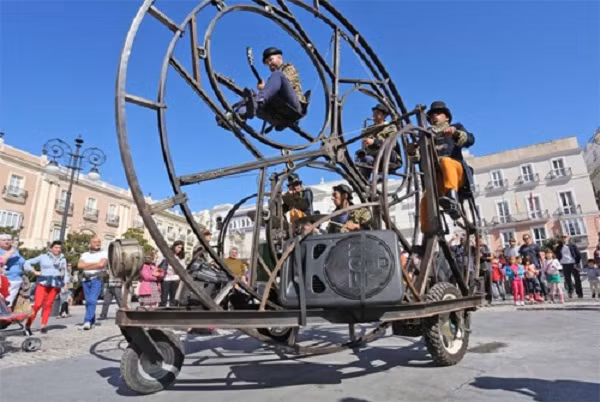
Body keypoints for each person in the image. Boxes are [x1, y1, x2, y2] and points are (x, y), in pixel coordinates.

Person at [417, 101, 475, 231]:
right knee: (426, 198)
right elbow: (418, 159)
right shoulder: (426, 136)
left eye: (438, 113)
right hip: (437, 178)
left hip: (456, 174)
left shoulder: (456, 127)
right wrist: (412, 151)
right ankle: (428, 231)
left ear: (446, 117)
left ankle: (453, 201)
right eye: (432, 115)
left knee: (445, 161)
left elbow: (470, 140)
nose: (434, 116)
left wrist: (455, 133)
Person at [220, 47, 307, 128]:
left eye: (270, 60)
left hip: (293, 107)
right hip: (278, 114)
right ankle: (236, 116)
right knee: (252, 97)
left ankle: (258, 101)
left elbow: (287, 84)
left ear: (279, 58)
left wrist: (263, 89)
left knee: (276, 76)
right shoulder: (274, 79)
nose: (269, 64)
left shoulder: (287, 68)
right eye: (267, 63)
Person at [23, 241, 69, 335]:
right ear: (51, 248)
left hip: (55, 284)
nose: (58, 249)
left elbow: (65, 272)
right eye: (56, 247)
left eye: (59, 248)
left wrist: (65, 283)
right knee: (37, 304)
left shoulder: (62, 259)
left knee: (48, 305)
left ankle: (43, 325)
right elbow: (27, 262)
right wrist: (34, 271)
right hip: (42, 283)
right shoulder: (43, 257)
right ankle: (28, 325)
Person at [354, 104, 399, 179]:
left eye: (377, 113)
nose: (374, 115)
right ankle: (363, 181)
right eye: (374, 113)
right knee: (366, 159)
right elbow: (365, 147)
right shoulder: (369, 129)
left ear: (384, 115)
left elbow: (392, 143)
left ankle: (380, 176)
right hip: (373, 156)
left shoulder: (390, 127)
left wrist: (375, 142)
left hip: (387, 155)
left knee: (387, 151)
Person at [77, 236, 108, 330]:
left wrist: (86, 266)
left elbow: (101, 264)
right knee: (88, 301)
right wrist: (95, 264)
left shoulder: (104, 253)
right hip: (85, 280)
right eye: (95, 242)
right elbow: (79, 265)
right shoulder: (85, 254)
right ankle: (92, 321)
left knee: (92, 300)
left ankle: (87, 321)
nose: (97, 243)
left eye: (99, 242)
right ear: (89, 244)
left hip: (96, 279)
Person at [0, 234, 25, 307]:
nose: (7, 242)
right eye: (4, 240)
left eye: (9, 240)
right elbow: (2, 261)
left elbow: (22, 262)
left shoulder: (16, 251)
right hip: (4, 280)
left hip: (16, 280)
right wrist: (12, 250)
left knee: (8, 304)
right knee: (2, 302)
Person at [519, 234, 547, 299]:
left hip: (536, 265)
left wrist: (543, 263)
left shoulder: (535, 245)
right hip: (527, 266)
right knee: (530, 282)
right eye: (524, 239)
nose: (526, 240)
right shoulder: (522, 247)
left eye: (527, 238)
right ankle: (535, 295)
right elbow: (520, 257)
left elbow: (540, 254)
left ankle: (545, 294)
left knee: (540, 280)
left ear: (530, 238)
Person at [157, 240, 184, 307]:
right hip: (166, 278)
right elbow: (158, 264)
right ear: (174, 246)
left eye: (181, 248)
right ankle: (161, 310)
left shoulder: (180, 257)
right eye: (178, 247)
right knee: (164, 297)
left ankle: (171, 311)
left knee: (173, 298)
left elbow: (183, 267)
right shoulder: (166, 255)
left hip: (175, 279)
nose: (179, 249)